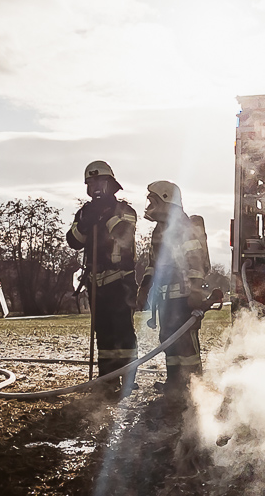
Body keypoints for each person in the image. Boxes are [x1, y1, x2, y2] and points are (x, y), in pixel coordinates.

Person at [66, 161, 139, 393]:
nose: (95, 186)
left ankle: (128, 378)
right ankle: (107, 379)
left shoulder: (125, 210)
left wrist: (104, 216)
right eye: (91, 182)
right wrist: (84, 223)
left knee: (123, 330)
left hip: (121, 280)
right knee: (104, 333)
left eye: (100, 181)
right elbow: (73, 241)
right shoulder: (84, 212)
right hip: (96, 283)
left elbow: (124, 233)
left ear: (111, 184)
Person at [137, 180, 212, 399]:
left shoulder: (183, 227)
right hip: (165, 299)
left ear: (166, 200)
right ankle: (175, 383)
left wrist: (195, 291)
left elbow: (195, 260)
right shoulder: (159, 230)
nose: (150, 206)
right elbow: (153, 264)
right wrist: (144, 288)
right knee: (168, 340)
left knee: (186, 344)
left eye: (153, 201)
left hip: (184, 297)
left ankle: (193, 388)